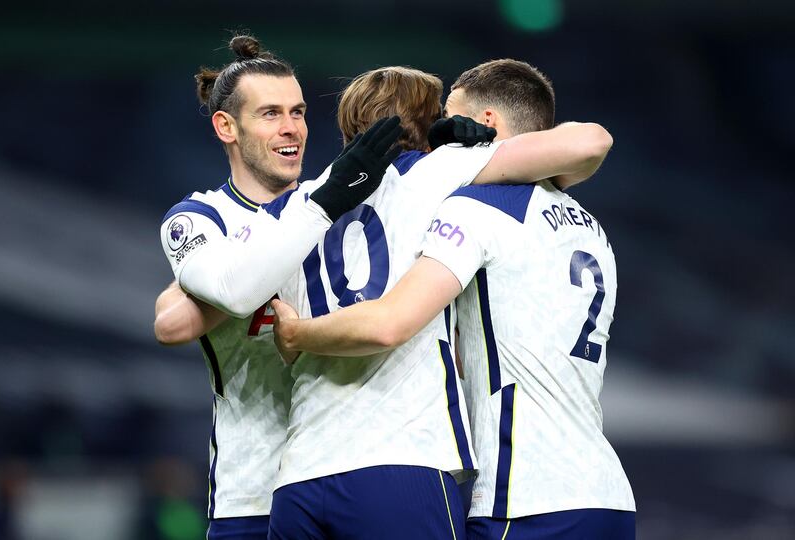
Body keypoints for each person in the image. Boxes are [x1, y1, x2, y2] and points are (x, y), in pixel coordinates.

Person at [273, 59, 635, 539]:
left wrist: (296, 333)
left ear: (485, 126)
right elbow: (591, 142)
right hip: (604, 492)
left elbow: (392, 322)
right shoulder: (593, 232)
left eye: (454, 117)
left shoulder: (468, 209)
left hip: (523, 496)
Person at [155, 34, 404, 540]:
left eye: (298, 111)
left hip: (352, 478)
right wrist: (322, 207)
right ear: (226, 126)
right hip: (252, 495)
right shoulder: (199, 219)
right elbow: (233, 293)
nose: (291, 128)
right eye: (270, 113)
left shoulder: (341, 203)